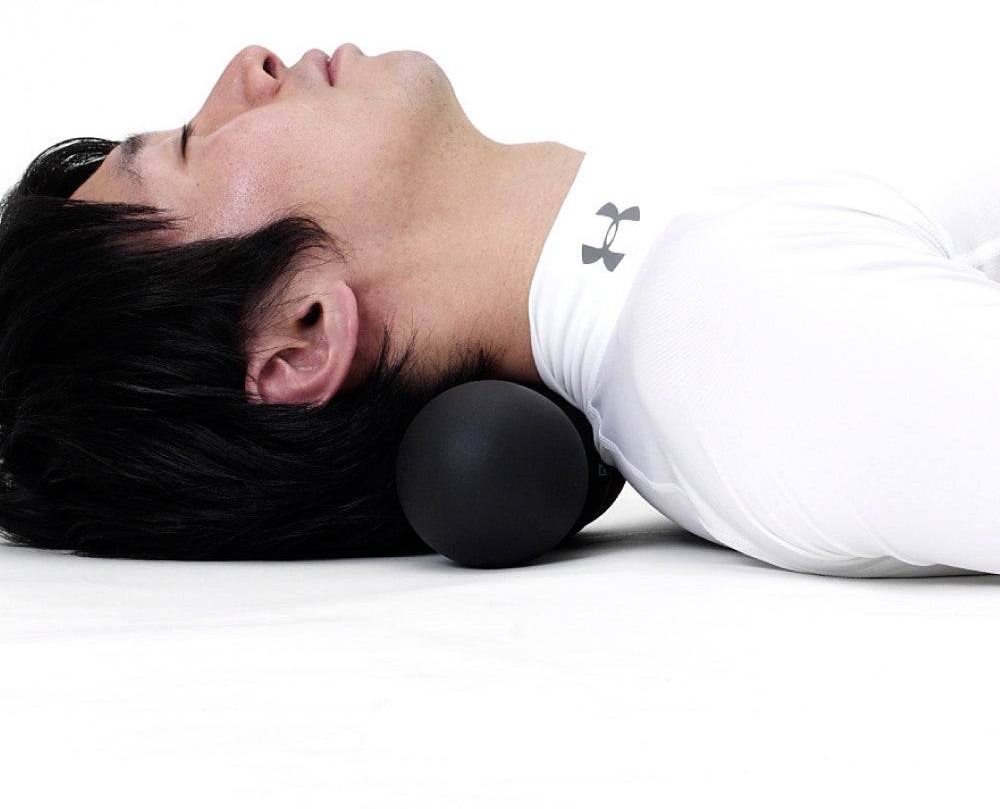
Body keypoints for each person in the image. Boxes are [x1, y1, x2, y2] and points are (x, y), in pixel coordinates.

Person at [3, 44, 1000, 576]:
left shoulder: (685, 244)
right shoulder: (747, 349)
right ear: (299, 338)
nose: (247, 67)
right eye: (189, 142)